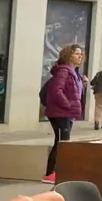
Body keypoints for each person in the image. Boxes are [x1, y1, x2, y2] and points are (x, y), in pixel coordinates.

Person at [42, 44, 85, 183]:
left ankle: (56, 172)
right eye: (77, 53)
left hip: (66, 113)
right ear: (69, 56)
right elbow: (56, 91)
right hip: (61, 113)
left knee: (62, 143)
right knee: (61, 143)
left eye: (81, 54)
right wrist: (67, 105)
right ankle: (50, 173)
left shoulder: (73, 72)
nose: (80, 56)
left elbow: (71, 92)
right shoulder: (64, 71)